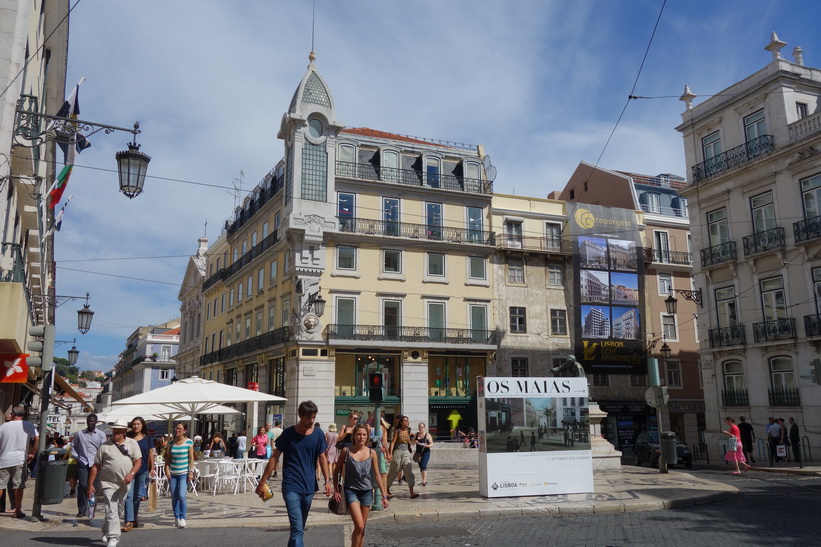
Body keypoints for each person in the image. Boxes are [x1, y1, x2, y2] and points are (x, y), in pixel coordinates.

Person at [256, 401, 332, 547]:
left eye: (313, 418)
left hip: (309, 487)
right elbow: (274, 457)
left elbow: (322, 457)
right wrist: (263, 481)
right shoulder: (288, 433)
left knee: (298, 528)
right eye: (308, 418)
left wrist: (327, 480)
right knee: (297, 529)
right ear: (300, 416)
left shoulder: (318, 434)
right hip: (291, 486)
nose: (311, 421)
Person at [88, 418, 142, 547]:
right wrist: (90, 484)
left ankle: (106, 531)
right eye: (114, 430)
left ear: (124, 431)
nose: (116, 432)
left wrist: (132, 474)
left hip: (124, 483)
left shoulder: (132, 443)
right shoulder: (105, 446)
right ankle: (114, 538)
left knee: (117, 510)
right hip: (108, 482)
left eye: (119, 430)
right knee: (111, 508)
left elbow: (138, 461)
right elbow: (95, 466)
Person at [332, 424, 389, 547]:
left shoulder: (372, 452)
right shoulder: (346, 451)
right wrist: (336, 489)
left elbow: (377, 475)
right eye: (358, 434)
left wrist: (384, 495)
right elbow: (336, 471)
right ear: (353, 436)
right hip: (351, 491)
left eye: (364, 434)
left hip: (367, 491)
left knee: (362, 528)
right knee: (359, 525)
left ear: (367, 436)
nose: (361, 437)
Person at [0, 405, 38, 519]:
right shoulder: (28, 425)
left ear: (13, 414)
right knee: (18, 486)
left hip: (4, 459)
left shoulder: (3, 426)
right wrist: (33, 453)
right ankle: (17, 510)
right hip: (19, 459)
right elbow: (37, 438)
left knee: (0, 485)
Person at [72, 413, 107, 518]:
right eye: (88, 421)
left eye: (92, 421)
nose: (90, 423)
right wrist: (77, 458)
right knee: (83, 485)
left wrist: (101, 461)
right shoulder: (80, 434)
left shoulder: (101, 434)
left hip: (95, 464)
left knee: (93, 488)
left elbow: (103, 448)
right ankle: (81, 509)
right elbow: (74, 446)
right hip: (83, 462)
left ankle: (91, 509)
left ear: (96, 422)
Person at [122, 416, 152, 532]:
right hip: (130, 470)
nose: (136, 426)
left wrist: (152, 468)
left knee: (137, 496)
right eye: (134, 424)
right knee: (128, 494)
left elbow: (151, 454)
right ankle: (128, 521)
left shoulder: (147, 439)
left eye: (138, 424)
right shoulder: (127, 439)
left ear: (142, 425)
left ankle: (134, 518)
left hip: (143, 469)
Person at [165, 422, 194, 528]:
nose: (177, 430)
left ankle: (182, 517)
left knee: (182, 495)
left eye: (180, 429)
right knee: (174, 496)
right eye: (176, 428)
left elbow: (191, 458)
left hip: (183, 473)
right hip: (172, 473)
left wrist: (191, 471)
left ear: (184, 431)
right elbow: (167, 458)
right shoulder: (171, 443)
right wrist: (166, 469)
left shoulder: (189, 442)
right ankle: (176, 517)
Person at [385, 415, 418, 499]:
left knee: (409, 471)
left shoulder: (409, 430)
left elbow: (409, 440)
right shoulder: (397, 431)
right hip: (398, 452)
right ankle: (386, 489)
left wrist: (411, 444)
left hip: (406, 452)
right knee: (394, 471)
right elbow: (392, 442)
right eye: (405, 421)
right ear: (401, 422)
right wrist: (390, 453)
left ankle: (411, 492)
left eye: (407, 420)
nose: (406, 422)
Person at [413, 422, 433, 487]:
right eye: (419, 427)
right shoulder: (416, 434)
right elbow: (411, 442)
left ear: (424, 428)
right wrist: (414, 442)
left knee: (424, 465)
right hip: (418, 453)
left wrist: (426, 446)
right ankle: (423, 480)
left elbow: (432, 444)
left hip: (426, 452)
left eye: (422, 427)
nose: (420, 428)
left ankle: (424, 481)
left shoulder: (427, 435)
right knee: (421, 466)